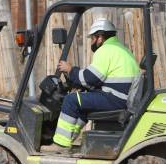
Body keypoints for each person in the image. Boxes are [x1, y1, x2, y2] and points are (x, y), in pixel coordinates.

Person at [51, 19, 139, 149]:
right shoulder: (122, 49)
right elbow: (100, 79)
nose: (92, 42)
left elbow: (90, 78)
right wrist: (81, 84)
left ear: (100, 37)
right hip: (122, 97)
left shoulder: (106, 50)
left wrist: (70, 70)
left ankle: (60, 144)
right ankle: (70, 139)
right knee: (82, 102)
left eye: (92, 38)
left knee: (71, 100)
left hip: (115, 98)